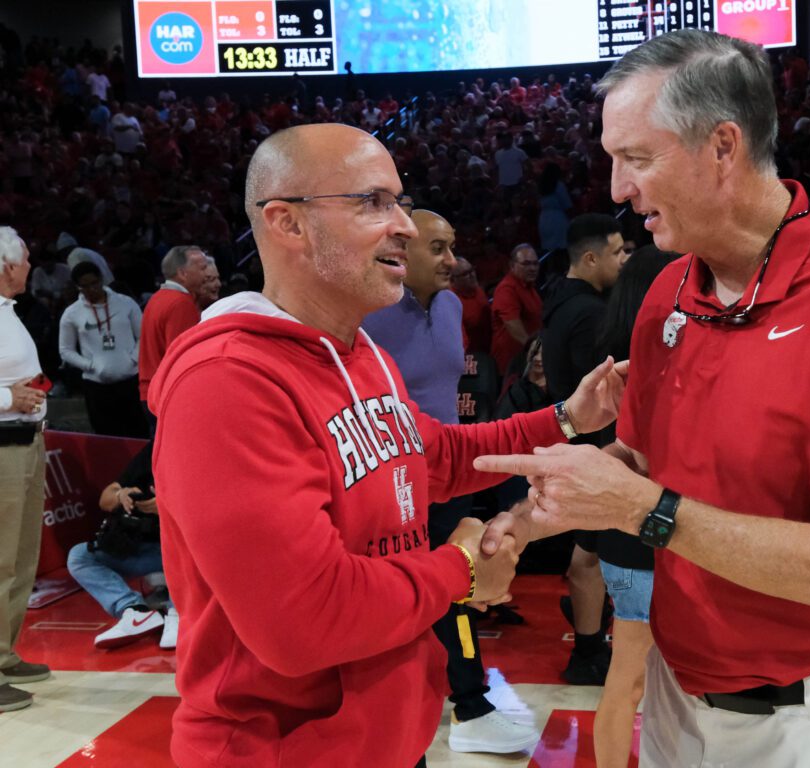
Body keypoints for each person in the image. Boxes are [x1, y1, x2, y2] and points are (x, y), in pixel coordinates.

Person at [476, 30, 810, 768]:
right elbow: (638, 457)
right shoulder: (668, 289)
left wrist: (643, 511)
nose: (615, 189)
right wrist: (522, 519)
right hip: (679, 697)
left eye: (635, 158)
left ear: (722, 147)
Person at [147, 123, 625, 768]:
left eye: (399, 200)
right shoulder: (226, 381)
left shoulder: (361, 350)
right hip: (279, 751)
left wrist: (569, 417)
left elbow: (434, 460)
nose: (402, 222)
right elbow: (303, 620)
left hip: (387, 738)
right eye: (373, 202)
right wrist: (461, 571)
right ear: (287, 223)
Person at [363, 209, 538, 755]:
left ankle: (467, 704)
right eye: (437, 248)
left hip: (445, 469)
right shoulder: (367, 314)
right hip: (391, 481)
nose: (452, 260)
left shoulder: (449, 307)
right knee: (427, 590)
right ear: (402, 251)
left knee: (457, 586)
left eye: (452, 246)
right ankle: (465, 703)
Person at [591, 245, 678, 768]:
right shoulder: (647, 358)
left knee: (637, 681)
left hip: (629, 529)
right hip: (641, 527)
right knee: (630, 681)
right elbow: (641, 456)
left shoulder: (607, 339)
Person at [542, 213, 626, 685]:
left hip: (572, 441)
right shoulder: (591, 313)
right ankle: (589, 647)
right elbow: (601, 399)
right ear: (590, 258)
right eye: (617, 252)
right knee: (588, 556)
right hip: (591, 446)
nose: (623, 260)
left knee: (585, 554)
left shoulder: (559, 303)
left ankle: (589, 641)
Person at [0, 226, 51, 713]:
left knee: (20, 559)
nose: (32, 266)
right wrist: (8, 398)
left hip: (24, 443)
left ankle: (3, 654)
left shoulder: (8, 314)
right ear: (7, 265)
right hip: (2, 449)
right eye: (27, 259)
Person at [66, 442, 177, 650]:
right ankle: (135, 610)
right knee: (80, 556)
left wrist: (167, 505)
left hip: (180, 549)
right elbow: (105, 498)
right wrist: (120, 495)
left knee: (183, 545)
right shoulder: (155, 448)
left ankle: (178, 612)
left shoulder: (200, 449)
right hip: (147, 549)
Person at [58, 261, 148, 438]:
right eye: (85, 286)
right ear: (78, 288)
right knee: (106, 437)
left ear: (101, 280)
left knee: (138, 433)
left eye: (94, 283)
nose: (92, 289)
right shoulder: (72, 313)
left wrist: (133, 359)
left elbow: (143, 336)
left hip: (130, 380)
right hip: (96, 385)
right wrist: (90, 365)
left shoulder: (126, 303)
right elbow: (65, 350)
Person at [137, 245, 206, 422]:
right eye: (202, 268)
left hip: (150, 391)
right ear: (183, 273)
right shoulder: (181, 304)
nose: (206, 275)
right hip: (165, 395)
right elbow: (181, 357)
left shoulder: (157, 298)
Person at [490, 243, 541, 375]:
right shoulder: (507, 289)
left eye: (535, 263)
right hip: (512, 363)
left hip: (526, 358)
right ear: (512, 265)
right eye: (526, 264)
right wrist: (535, 349)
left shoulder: (529, 286)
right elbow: (512, 325)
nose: (532, 268)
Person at [451, 257, 490, 353]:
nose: (472, 275)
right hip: (469, 355)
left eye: (472, 270)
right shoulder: (450, 301)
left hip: (487, 348)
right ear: (452, 280)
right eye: (465, 274)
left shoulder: (478, 290)